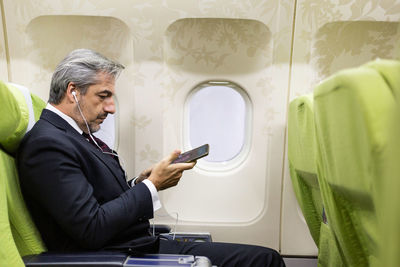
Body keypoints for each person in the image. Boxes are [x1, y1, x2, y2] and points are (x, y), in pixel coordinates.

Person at [17, 49, 285, 267]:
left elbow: (94, 198)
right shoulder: (47, 144)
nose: (110, 108)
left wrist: (139, 182)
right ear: (73, 91)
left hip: (135, 246)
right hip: (117, 257)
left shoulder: (73, 135)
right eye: (103, 96)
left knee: (264, 257)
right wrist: (152, 186)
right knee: (265, 261)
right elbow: (91, 227)